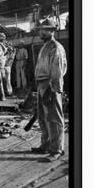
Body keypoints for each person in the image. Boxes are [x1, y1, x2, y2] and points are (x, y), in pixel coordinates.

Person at [33, 19, 67, 162]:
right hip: (41, 84)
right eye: (41, 29)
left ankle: (57, 149)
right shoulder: (45, 46)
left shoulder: (55, 47)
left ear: (52, 31)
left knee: (54, 117)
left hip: (50, 85)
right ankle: (45, 145)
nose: (41, 32)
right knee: (43, 117)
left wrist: (53, 90)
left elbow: (57, 71)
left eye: (44, 30)